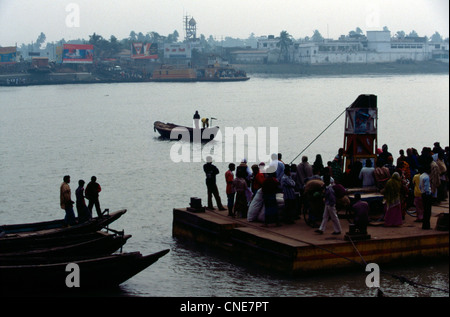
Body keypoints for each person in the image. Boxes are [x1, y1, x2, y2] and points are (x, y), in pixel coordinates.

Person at [419, 165, 432, 230]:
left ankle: (425, 225)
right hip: (427, 195)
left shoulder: (421, 176)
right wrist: (429, 194)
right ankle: (427, 226)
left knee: (425, 210)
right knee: (428, 211)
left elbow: (420, 186)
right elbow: (427, 188)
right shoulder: (427, 177)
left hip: (422, 193)